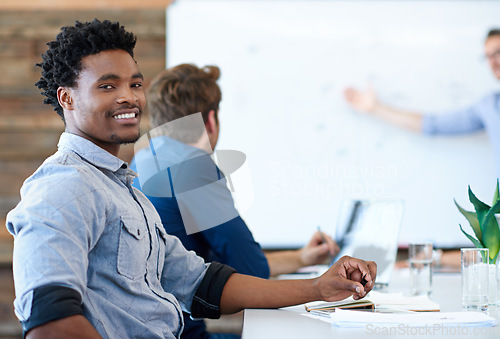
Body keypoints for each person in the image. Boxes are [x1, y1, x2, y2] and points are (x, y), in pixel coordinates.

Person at [6, 19, 376, 339]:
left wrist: (319, 287)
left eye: (135, 85)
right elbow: (49, 323)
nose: (129, 97)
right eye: (107, 86)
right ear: (66, 98)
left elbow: (202, 283)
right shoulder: (63, 187)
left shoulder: (123, 187)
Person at [131, 64, 340, 338]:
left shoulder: (143, 159)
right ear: (210, 121)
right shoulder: (193, 170)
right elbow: (251, 270)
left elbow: (235, 264)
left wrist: (301, 257)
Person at [344, 29, 500, 177]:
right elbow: (432, 124)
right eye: (487, 57)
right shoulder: (489, 106)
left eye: (497, 52)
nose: (492, 62)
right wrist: (375, 108)